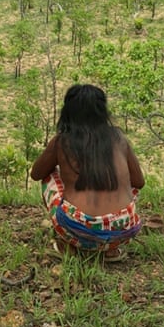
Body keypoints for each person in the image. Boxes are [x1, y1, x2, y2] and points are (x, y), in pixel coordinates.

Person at [29, 84, 145, 261]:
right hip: (123, 230)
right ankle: (110, 251)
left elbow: (37, 173)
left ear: (68, 111)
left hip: (77, 229)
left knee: (49, 176)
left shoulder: (62, 141)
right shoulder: (118, 138)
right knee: (127, 186)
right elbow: (139, 182)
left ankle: (66, 246)